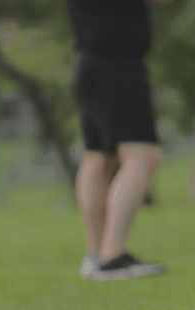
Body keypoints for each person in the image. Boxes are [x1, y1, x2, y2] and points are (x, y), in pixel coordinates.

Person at [68, 0, 171, 280]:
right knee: (143, 156)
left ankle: (97, 256)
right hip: (116, 65)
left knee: (100, 156)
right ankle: (113, 256)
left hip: (92, 62)